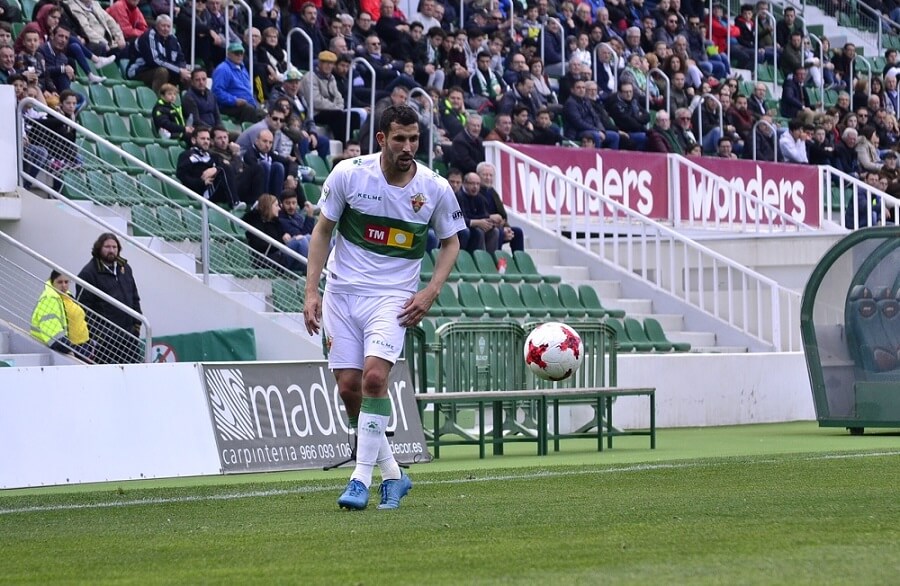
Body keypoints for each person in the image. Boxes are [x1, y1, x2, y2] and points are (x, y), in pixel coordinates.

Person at [302, 104, 464, 511]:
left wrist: (430, 292)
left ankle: (359, 480)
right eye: (400, 139)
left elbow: (451, 242)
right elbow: (322, 231)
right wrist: (311, 291)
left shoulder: (435, 188)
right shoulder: (349, 174)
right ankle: (393, 474)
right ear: (381, 139)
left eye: (414, 139)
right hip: (341, 292)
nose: (408, 146)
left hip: (393, 297)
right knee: (348, 388)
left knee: (375, 378)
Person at [76, 233, 143, 364]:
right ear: (99, 248)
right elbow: (83, 308)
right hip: (105, 342)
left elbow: (135, 297)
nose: (111, 250)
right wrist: (98, 335)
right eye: (107, 247)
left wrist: (137, 325)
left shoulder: (125, 268)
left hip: (129, 337)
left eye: (114, 247)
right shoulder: (88, 273)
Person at [31, 269, 94, 362]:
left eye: (66, 282)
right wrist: (67, 350)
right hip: (70, 350)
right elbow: (52, 330)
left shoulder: (66, 296)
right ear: (52, 282)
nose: (64, 285)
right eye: (60, 282)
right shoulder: (50, 299)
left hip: (81, 347)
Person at [176, 126, 244, 210]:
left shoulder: (213, 156)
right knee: (224, 167)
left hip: (217, 189)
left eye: (208, 139)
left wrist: (215, 169)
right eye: (203, 139)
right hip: (203, 191)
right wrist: (202, 182)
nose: (206, 141)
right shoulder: (187, 155)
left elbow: (230, 168)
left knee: (254, 169)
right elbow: (182, 176)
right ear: (194, 140)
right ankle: (234, 202)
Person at [127, 15, 191, 93]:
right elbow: (155, 60)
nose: (166, 29)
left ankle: (184, 103)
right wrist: (178, 70)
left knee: (187, 76)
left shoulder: (173, 39)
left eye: (168, 26)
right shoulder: (148, 36)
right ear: (157, 26)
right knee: (162, 72)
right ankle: (159, 102)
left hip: (165, 70)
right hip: (140, 71)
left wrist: (182, 71)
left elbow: (181, 59)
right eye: (163, 26)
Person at [212, 42, 264, 123]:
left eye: (241, 53)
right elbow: (217, 92)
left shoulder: (243, 69)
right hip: (227, 106)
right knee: (249, 110)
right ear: (229, 54)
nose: (239, 55)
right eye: (236, 53)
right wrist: (234, 100)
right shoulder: (223, 69)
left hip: (246, 105)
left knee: (266, 115)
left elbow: (247, 91)